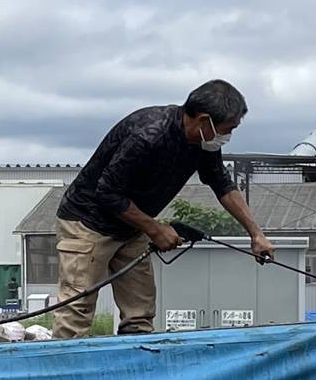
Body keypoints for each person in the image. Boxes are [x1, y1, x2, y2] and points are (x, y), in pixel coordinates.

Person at [52, 79, 275, 338]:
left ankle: (138, 367)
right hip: (87, 222)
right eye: (228, 129)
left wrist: (255, 234)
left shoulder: (204, 142)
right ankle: (58, 373)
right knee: (76, 312)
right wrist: (155, 229)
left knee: (140, 313)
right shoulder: (148, 135)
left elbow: (221, 183)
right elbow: (107, 192)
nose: (228, 136)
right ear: (204, 120)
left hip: (130, 225)